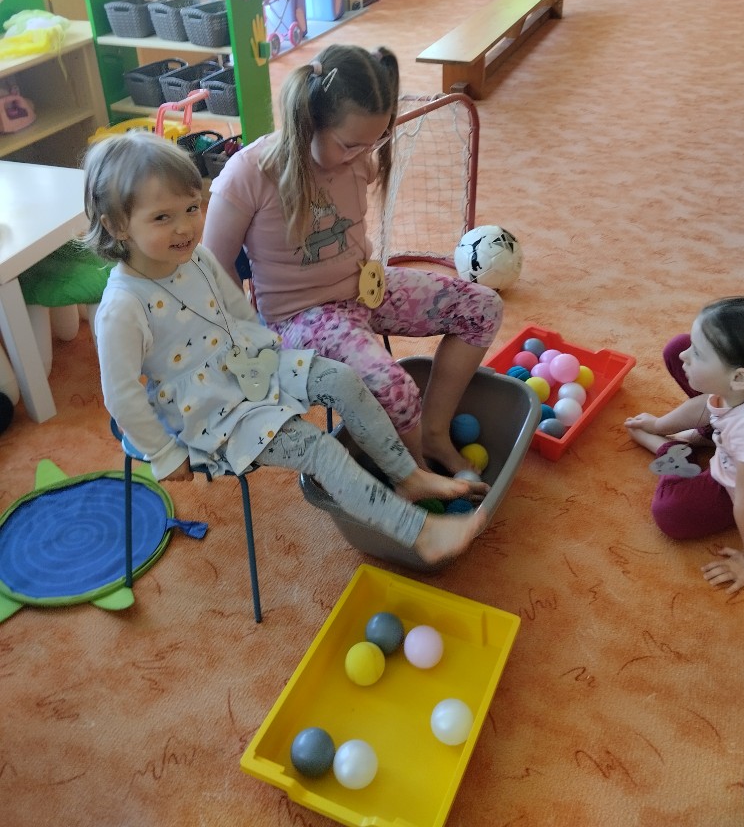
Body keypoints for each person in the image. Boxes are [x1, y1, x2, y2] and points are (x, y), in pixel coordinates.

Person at [82, 132, 489, 566]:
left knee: (343, 378)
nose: (184, 227)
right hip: (206, 411)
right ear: (117, 225)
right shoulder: (122, 307)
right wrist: (163, 453)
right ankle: (419, 533)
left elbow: (237, 310)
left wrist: (270, 355)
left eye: (191, 208)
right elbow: (120, 395)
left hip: (247, 365)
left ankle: (408, 476)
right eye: (162, 217)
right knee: (318, 448)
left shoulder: (196, 257)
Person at [202, 43, 504, 477]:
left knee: (483, 307)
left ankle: (434, 433)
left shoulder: (359, 159)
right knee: (395, 388)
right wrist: (249, 339)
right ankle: (416, 474)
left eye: (373, 142)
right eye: (349, 144)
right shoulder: (248, 174)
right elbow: (214, 265)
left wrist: (356, 150)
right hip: (299, 317)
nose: (363, 155)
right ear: (309, 120)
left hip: (365, 288)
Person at [625, 296, 744, 595]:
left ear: (739, 378)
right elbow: (707, 403)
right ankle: (707, 435)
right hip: (739, 432)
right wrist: (659, 424)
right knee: (674, 347)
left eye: (698, 353)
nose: (685, 356)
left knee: (671, 513)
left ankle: (673, 451)